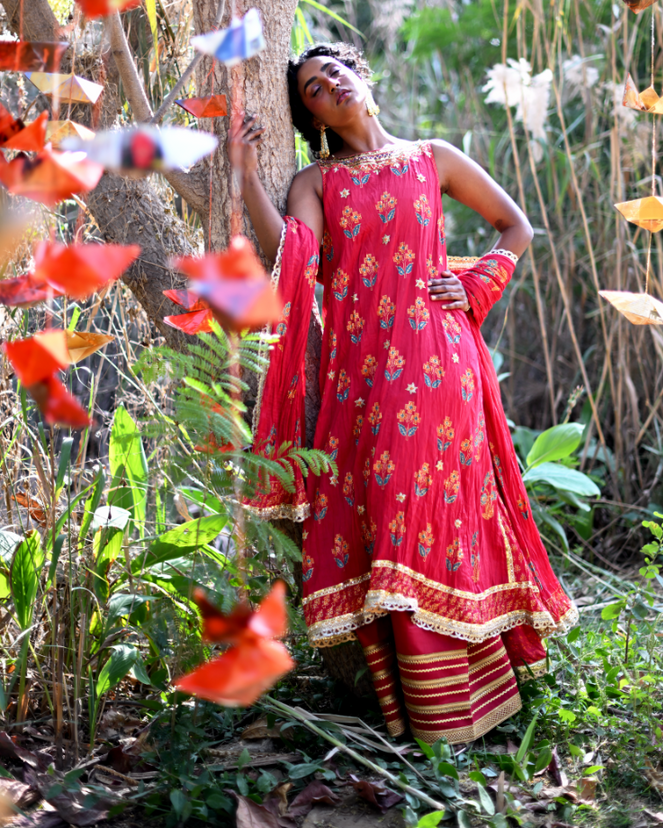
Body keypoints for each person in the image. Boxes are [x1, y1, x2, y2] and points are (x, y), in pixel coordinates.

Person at [236, 42, 577, 744]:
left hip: (440, 361)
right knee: (387, 517)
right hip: (360, 379)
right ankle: (417, 708)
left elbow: (516, 226)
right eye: (312, 88)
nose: (329, 84)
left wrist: (477, 283)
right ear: (313, 117)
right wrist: (243, 174)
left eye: (335, 71)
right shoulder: (316, 181)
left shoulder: (433, 157)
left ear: (361, 75)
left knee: (438, 514)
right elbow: (291, 257)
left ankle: (459, 707)